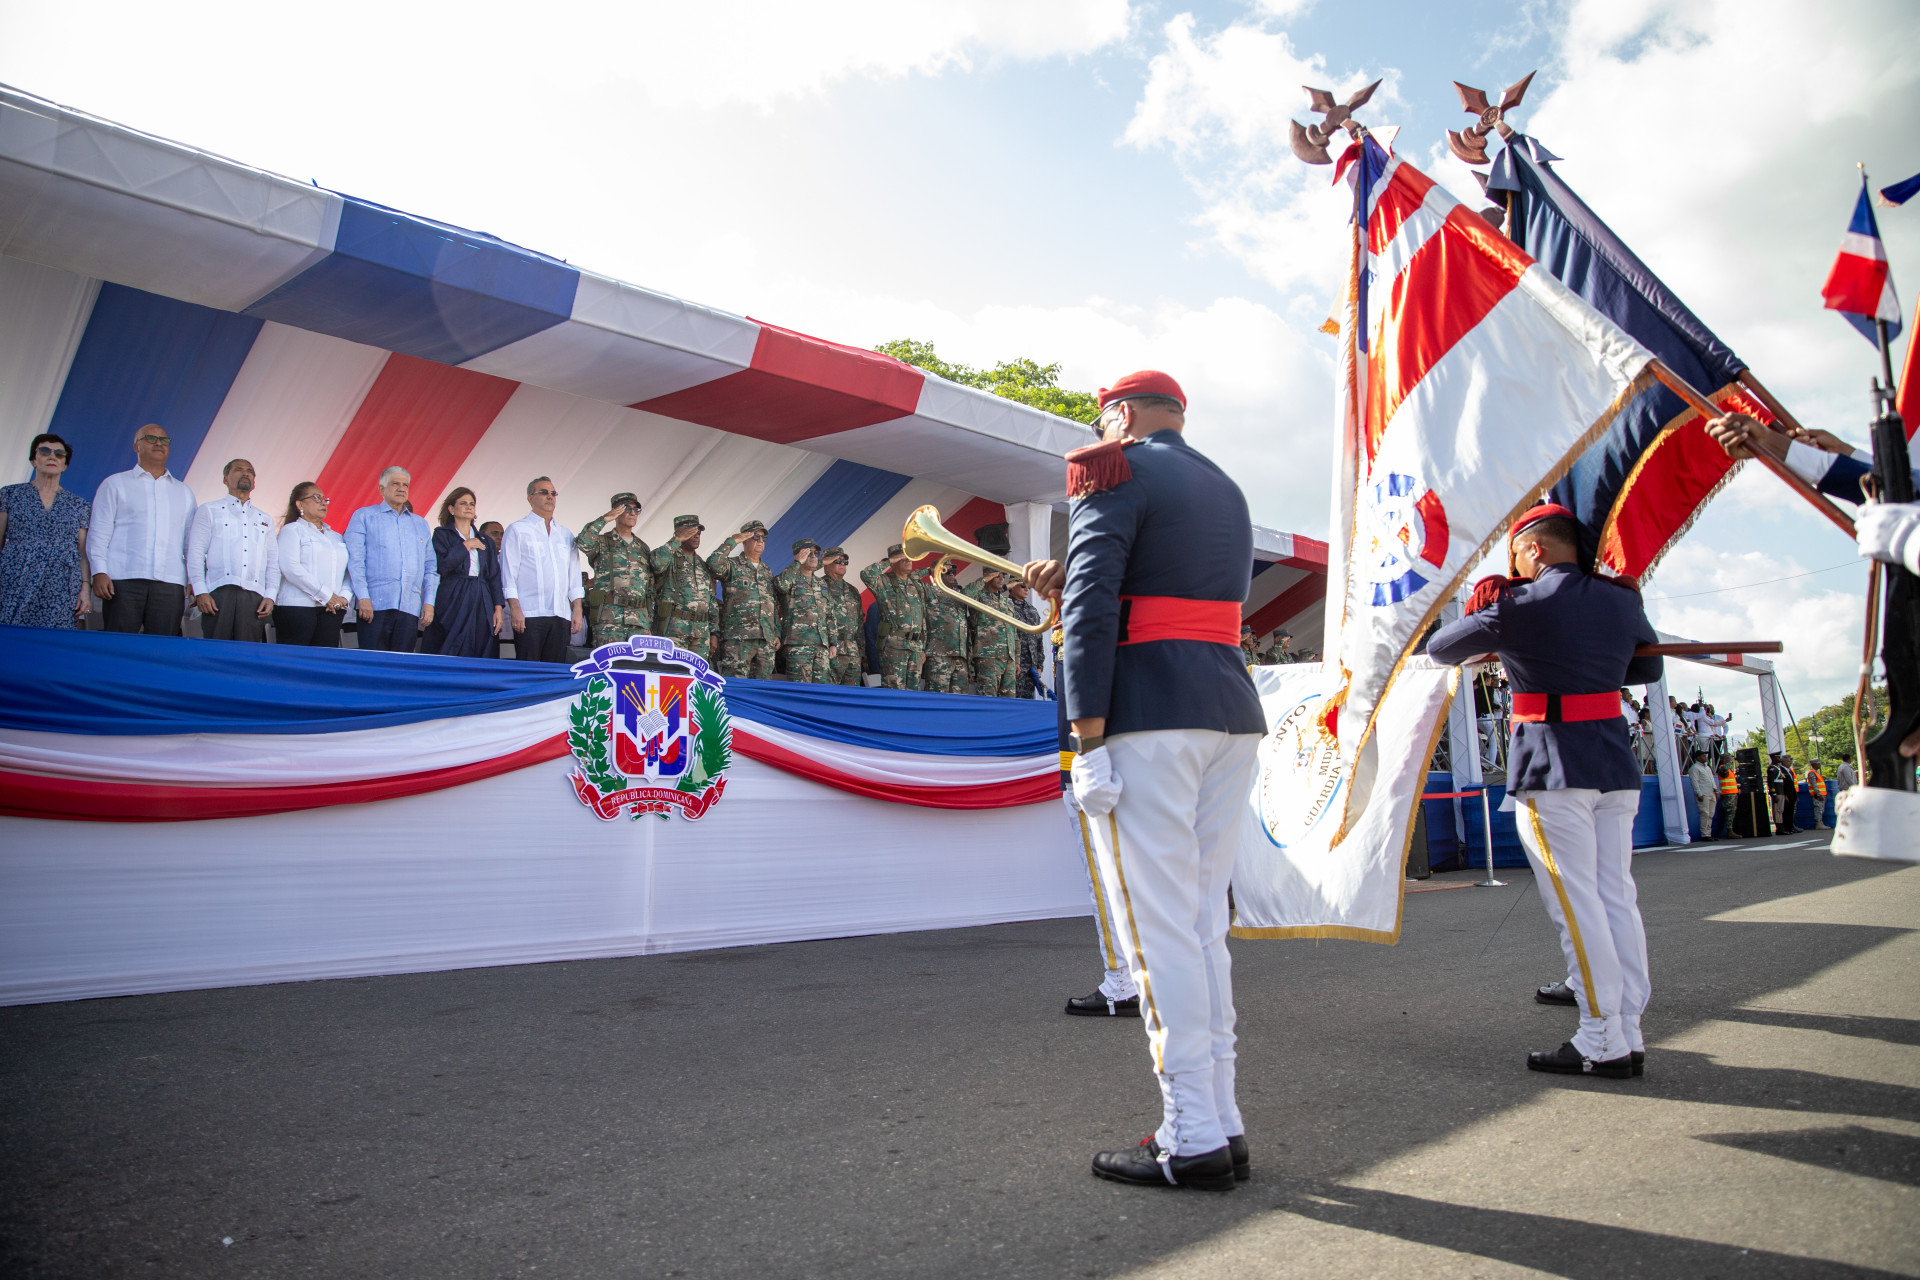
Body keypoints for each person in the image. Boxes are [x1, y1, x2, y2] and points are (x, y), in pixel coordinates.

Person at [1023, 369, 1263, 1192]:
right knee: (1200, 928)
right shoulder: (1223, 484)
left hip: (1148, 717)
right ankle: (1219, 1118)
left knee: (1156, 936)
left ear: (1119, 416)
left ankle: (1190, 1134)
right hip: (1226, 708)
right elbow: (1162, 590)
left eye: (1104, 421)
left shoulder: (1112, 469)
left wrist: (1084, 737)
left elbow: (1094, 605)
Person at [1429, 503, 1663, 1080]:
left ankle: (1601, 1037)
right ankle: (1628, 1027)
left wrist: (1510, 624)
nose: (1515, 567)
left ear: (1534, 549)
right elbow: (1648, 669)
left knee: (1577, 905)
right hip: (1613, 763)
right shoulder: (1620, 599)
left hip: (1553, 765)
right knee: (1616, 897)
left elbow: (1441, 648)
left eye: (1516, 556)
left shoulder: (1519, 604)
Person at [89, 423, 196, 635]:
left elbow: (190, 542)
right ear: (136, 446)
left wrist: (194, 578)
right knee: (119, 643)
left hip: (170, 581)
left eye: (164, 440)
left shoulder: (184, 492)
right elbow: (99, 532)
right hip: (123, 578)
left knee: (161, 646)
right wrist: (99, 571)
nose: (158, 443)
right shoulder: (115, 484)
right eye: (151, 438)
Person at [0, 433, 91, 628]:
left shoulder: (79, 504)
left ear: (65, 465)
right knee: (11, 634)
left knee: (55, 637)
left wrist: (85, 589)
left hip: (60, 583)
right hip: (15, 578)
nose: (52, 456)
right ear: (33, 460)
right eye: (44, 451)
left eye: (59, 454)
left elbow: (82, 553)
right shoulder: (10, 494)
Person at [185, 458, 279, 641]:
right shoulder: (209, 510)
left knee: (248, 651)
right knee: (217, 649)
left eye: (250, 471)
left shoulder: (264, 518)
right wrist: (201, 591)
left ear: (254, 483)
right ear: (225, 479)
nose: (245, 473)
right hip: (219, 593)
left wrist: (270, 595)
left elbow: (273, 562)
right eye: (238, 469)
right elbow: (195, 553)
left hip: (255, 596)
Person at [344, 466, 435, 652]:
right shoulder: (364, 516)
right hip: (374, 605)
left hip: (410, 607)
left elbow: (430, 567)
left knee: (402, 664)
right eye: (395, 484)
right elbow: (356, 561)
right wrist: (363, 597)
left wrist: (428, 602)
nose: (401, 488)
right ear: (381, 489)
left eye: (405, 485)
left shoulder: (420, 524)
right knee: (373, 663)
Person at [500, 476, 583, 663]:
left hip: (561, 614)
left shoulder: (565, 534)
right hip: (529, 613)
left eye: (553, 493)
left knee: (554, 669)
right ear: (530, 498)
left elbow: (574, 577)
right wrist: (515, 609)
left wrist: (577, 609)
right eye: (544, 492)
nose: (550, 496)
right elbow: (508, 575)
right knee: (528, 668)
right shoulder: (517, 530)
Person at [421, 487, 504, 658]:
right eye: (463, 503)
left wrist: (498, 608)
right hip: (453, 595)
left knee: (482, 642)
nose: (468, 507)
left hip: (481, 596)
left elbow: (494, 577)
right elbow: (441, 566)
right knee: (450, 642)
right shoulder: (442, 534)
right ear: (451, 509)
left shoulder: (485, 540)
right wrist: (465, 546)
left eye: (472, 504)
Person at [274, 482, 350, 647]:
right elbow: (290, 568)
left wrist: (343, 597)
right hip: (297, 607)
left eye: (324, 499)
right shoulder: (292, 530)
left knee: (324, 659)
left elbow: (348, 572)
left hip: (332, 609)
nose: (323, 502)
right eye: (316, 498)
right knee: (295, 658)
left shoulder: (336, 537)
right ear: (300, 504)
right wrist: (326, 595)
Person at [575, 493, 653, 647]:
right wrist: (604, 519)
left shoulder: (642, 547)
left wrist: (648, 621)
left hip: (639, 623)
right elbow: (583, 542)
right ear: (616, 512)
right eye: (627, 509)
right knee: (611, 661)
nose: (632, 513)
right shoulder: (602, 542)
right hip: (609, 621)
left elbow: (649, 587)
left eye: (636, 510)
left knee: (638, 663)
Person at [708, 520, 780, 678]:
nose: (760, 541)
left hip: (765, 641)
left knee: (763, 687)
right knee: (737, 683)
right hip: (738, 639)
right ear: (745, 539)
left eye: (763, 538)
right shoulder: (732, 565)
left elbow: (772, 604)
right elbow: (713, 563)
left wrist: (776, 632)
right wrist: (732, 541)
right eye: (756, 537)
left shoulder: (767, 571)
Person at [651, 515, 721, 657]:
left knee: (698, 670)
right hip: (674, 629)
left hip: (701, 633)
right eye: (691, 531)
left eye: (698, 532)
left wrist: (714, 632)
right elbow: (657, 563)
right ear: (679, 533)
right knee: (673, 668)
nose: (696, 536)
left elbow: (711, 600)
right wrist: (676, 540)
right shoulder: (668, 557)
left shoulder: (702, 564)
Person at [862, 544, 928, 691]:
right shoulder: (884, 582)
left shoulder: (915, 584)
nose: (908, 560)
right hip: (894, 647)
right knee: (895, 691)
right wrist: (888, 561)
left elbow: (921, 617)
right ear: (894, 561)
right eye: (902, 558)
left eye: (909, 557)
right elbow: (866, 575)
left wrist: (922, 646)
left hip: (916, 647)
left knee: (914, 692)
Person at [775, 538, 835, 683]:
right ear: (799, 555)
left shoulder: (821, 583)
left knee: (823, 690)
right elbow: (780, 585)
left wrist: (833, 642)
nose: (814, 556)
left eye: (816, 553)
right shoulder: (790, 578)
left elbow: (829, 615)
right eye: (809, 553)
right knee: (800, 689)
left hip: (821, 646)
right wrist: (797, 562)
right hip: (798, 645)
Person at [920, 561, 972, 694]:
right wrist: (930, 569)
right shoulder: (930, 591)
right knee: (937, 698)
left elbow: (975, 590)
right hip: (939, 654)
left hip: (960, 656)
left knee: (960, 699)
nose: (951, 574)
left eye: (953, 571)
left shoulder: (960, 596)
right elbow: (911, 579)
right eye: (947, 571)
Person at [967, 567, 1020, 698]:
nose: (1001, 579)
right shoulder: (978, 597)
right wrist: (984, 579)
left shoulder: (1007, 602)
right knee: (988, 699)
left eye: (1003, 576)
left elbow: (1014, 632)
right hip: (988, 657)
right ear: (988, 576)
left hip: (1009, 658)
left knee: (1009, 701)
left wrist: (1017, 659)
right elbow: (965, 594)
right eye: (997, 576)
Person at [820, 546, 865, 686]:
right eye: (837, 561)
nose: (842, 564)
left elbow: (860, 622)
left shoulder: (852, 590)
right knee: (829, 692)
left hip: (853, 652)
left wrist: (861, 651)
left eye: (845, 561)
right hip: (831, 650)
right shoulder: (819, 586)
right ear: (826, 565)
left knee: (852, 694)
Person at [1010, 580, 1045, 697]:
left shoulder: (1032, 610)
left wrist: (1039, 666)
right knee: (1013, 700)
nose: (1026, 589)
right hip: (1014, 664)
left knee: (1028, 700)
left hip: (1031, 666)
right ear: (1012, 587)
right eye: (1023, 586)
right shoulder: (1006, 607)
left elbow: (1039, 639)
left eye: (1029, 587)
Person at [1687, 751, 1718, 844]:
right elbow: (1695, 782)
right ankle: (1705, 834)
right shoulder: (1695, 768)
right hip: (1703, 794)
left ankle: (1709, 833)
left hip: (1711, 792)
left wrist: (1715, 790)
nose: (1705, 757)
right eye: (1703, 756)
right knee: (1705, 813)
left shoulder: (1707, 768)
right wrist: (1699, 793)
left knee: (1711, 814)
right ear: (1698, 758)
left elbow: (1711, 780)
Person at [1716, 763, 1738, 839]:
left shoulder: (1728, 769)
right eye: (1729, 758)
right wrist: (1728, 763)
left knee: (1732, 811)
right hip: (1727, 793)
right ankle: (1729, 831)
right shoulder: (1722, 768)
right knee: (1730, 811)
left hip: (1732, 792)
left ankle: (1730, 830)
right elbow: (1724, 772)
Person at [1805, 762, 1828, 830]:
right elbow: (1814, 785)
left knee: (1821, 809)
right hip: (1817, 795)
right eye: (1818, 764)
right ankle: (1818, 823)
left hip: (1821, 794)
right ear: (1814, 765)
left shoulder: (1816, 773)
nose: (1819, 765)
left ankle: (1820, 823)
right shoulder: (1812, 773)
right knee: (1818, 809)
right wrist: (1818, 794)